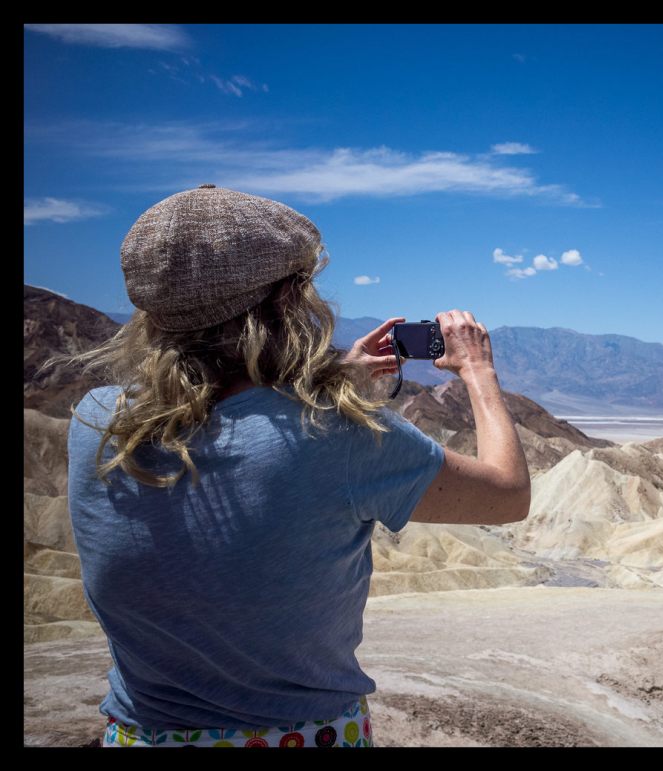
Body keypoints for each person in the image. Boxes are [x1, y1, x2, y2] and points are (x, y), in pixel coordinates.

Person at [62, 184, 530, 748]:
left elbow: (233, 432)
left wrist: (338, 377)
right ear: (288, 300)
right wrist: (477, 372)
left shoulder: (95, 422)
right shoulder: (341, 435)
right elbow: (507, 495)